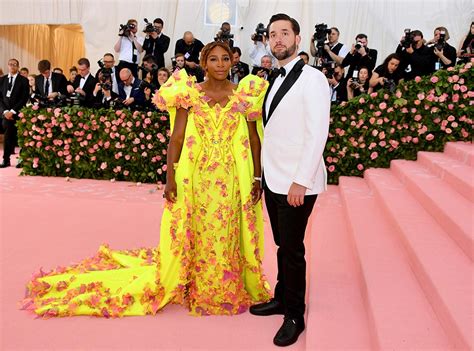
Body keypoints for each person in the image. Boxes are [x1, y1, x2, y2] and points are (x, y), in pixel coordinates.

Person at [21, 41, 270, 318]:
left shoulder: (246, 93)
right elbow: (176, 139)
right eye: (214, 59)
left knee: (226, 230)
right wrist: (170, 179)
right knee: (198, 228)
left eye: (225, 59)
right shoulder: (188, 93)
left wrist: (257, 177)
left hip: (233, 178)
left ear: (233, 61)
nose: (221, 64)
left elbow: (254, 139)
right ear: (204, 63)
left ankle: (225, 281)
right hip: (195, 178)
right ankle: (195, 281)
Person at [249, 14, 330, 347]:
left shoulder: (312, 79)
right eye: (273, 34)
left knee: (293, 250)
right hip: (274, 179)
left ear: (298, 38)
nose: (278, 38)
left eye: (284, 33)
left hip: (297, 183)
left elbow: (316, 133)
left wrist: (301, 180)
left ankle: (295, 315)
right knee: (283, 245)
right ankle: (282, 297)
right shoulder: (273, 78)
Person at [0, 59, 29, 168]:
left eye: (15, 65)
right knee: (7, 137)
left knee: (21, 137)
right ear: (8, 65)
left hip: (18, 113)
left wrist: (13, 111)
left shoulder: (23, 80)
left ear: (18, 67)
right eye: (10, 64)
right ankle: (6, 160)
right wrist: (6, 111)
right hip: (6, 114)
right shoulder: (2, 80)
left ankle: (22, 160)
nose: (12, 66)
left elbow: (24, 98)